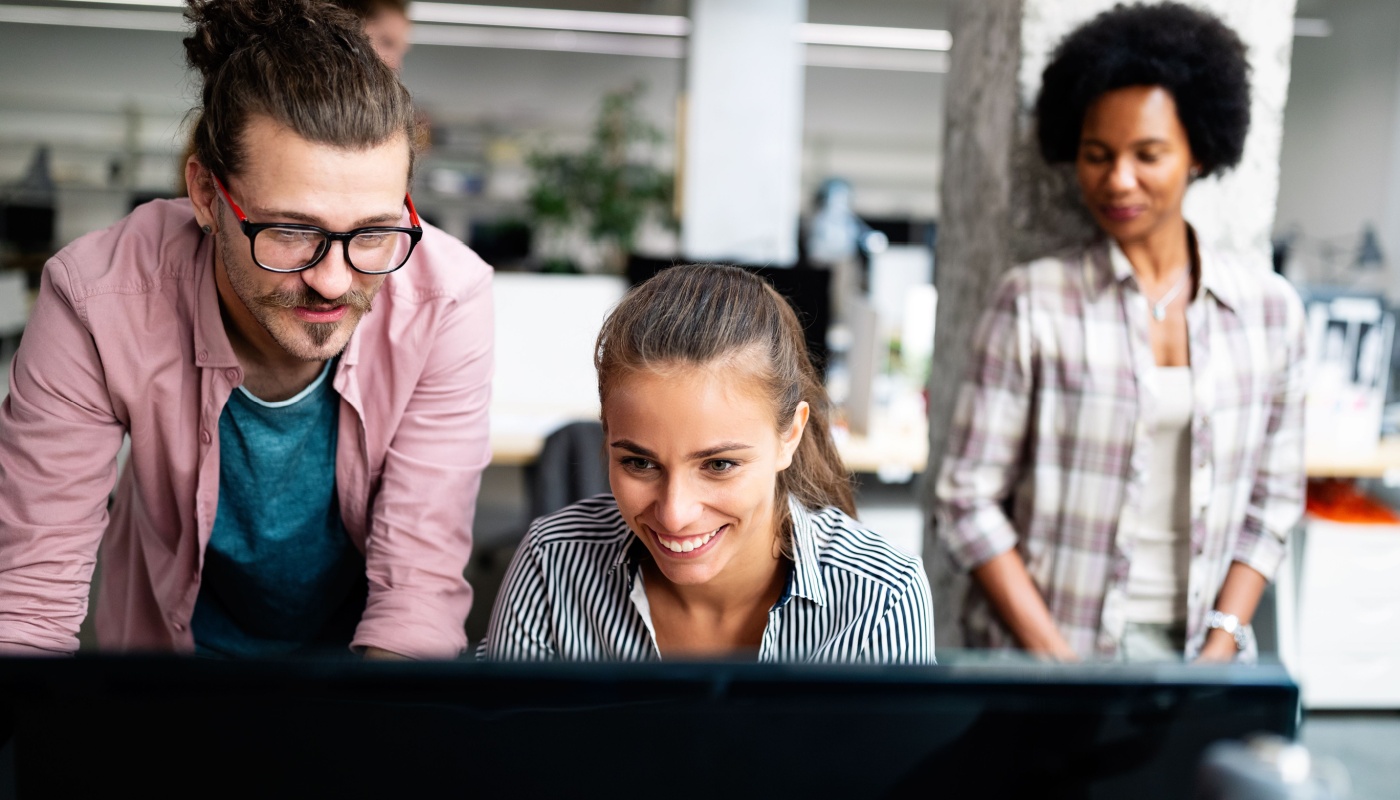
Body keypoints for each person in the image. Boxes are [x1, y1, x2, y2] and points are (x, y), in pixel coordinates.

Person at [0, 0, 493, 658]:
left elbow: (418, 595)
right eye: (292, 231)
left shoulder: (447, 299)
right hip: (163, 680)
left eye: (373, 232)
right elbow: (28, 603)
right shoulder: (97, 299)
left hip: (362, 688)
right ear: (206, 196)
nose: (334, 281)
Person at [935, 2, 1305, 663]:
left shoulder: (1270, 312)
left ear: (1198, 152)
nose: (1118, 180)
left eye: (1148, 154)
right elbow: (966, 500)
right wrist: (1058, 663)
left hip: (1198, 650)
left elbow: (1273, 504)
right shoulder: (1033, 302)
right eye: (1097, 155)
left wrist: (1220, 648)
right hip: (1043, 654)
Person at [482, 265, 934, 662]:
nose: (675, 513)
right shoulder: (553, 563)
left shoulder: (880, 600)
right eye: (639, 462)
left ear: (789, 436)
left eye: (719, 465)